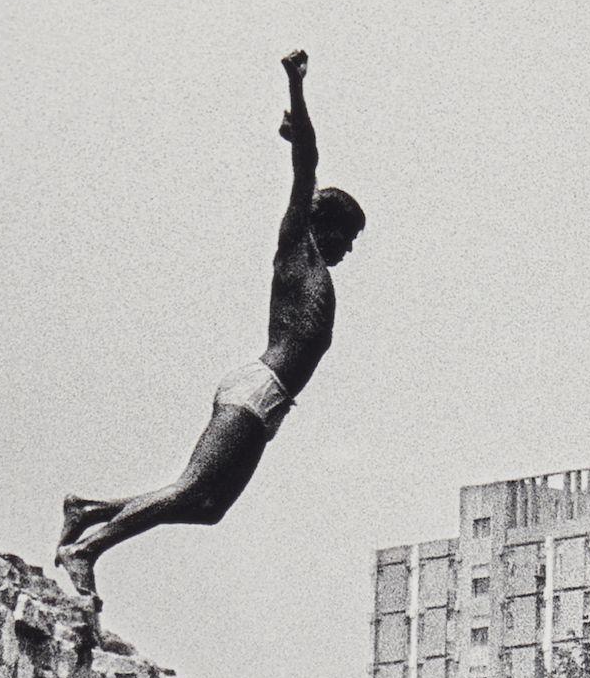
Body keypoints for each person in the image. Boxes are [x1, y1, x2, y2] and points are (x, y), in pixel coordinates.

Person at [58, 50, 364, 591]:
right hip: (257, 387)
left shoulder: (317, 268)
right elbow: (308, 161)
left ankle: (88, 510)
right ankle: (86, 548)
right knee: (190, 486)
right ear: (326, 225)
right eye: (348, 236)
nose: (349, 249)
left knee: (208, 508)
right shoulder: (298, 246)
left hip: (271, 402)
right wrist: (296, 86)